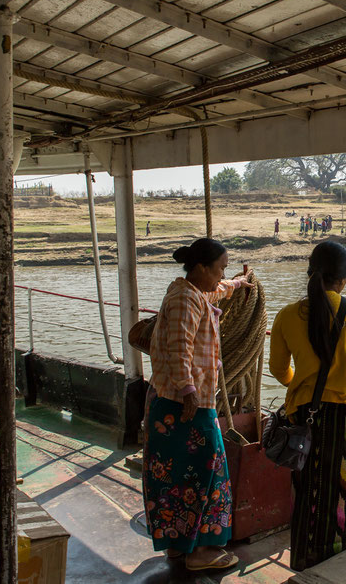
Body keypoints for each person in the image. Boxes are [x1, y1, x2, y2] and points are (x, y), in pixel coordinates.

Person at [143, 238, 253, 572]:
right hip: (187, 404)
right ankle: (201, 552)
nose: (221, 274)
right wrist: (189, 391)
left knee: (175, 474)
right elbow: (180, 349)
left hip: (175, 403)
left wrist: (238, 283)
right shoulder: (184, 301)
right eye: (219, 267)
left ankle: (178, 546)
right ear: (201, 268)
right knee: (209, 473)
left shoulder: (192, 292)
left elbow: (217, 290)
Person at [269, 241, 346, 570]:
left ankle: (305, 561)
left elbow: (278, 369)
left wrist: (300, 386)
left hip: (308, 416)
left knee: (309, 489)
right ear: (343, 280)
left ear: (311, 272)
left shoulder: (287, 315)